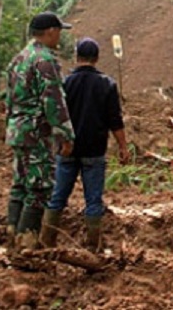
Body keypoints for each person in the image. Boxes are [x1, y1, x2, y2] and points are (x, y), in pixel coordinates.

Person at [40, 38, 131, 251]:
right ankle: (92, 246)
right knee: (93, 201)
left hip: (67, 149)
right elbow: (115, 120)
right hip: (94, 150)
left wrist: (57, 141)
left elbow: (53, 115)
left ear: (77, 56)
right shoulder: (107, 84)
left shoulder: (65, 83)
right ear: (97, 58)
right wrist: (123, 147)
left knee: (57, 197)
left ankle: (46, 241)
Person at [4, 11, 75, 251]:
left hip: (18, 130)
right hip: (36, 133)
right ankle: (27, 246)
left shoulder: (18, 58)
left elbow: (9, 99)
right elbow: (53, 101)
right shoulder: (45, 60)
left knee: (20, 185)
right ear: (51, 31)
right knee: (40, 187)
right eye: (59, 32)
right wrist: (65, 135)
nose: (60, 37)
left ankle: (11, 239)